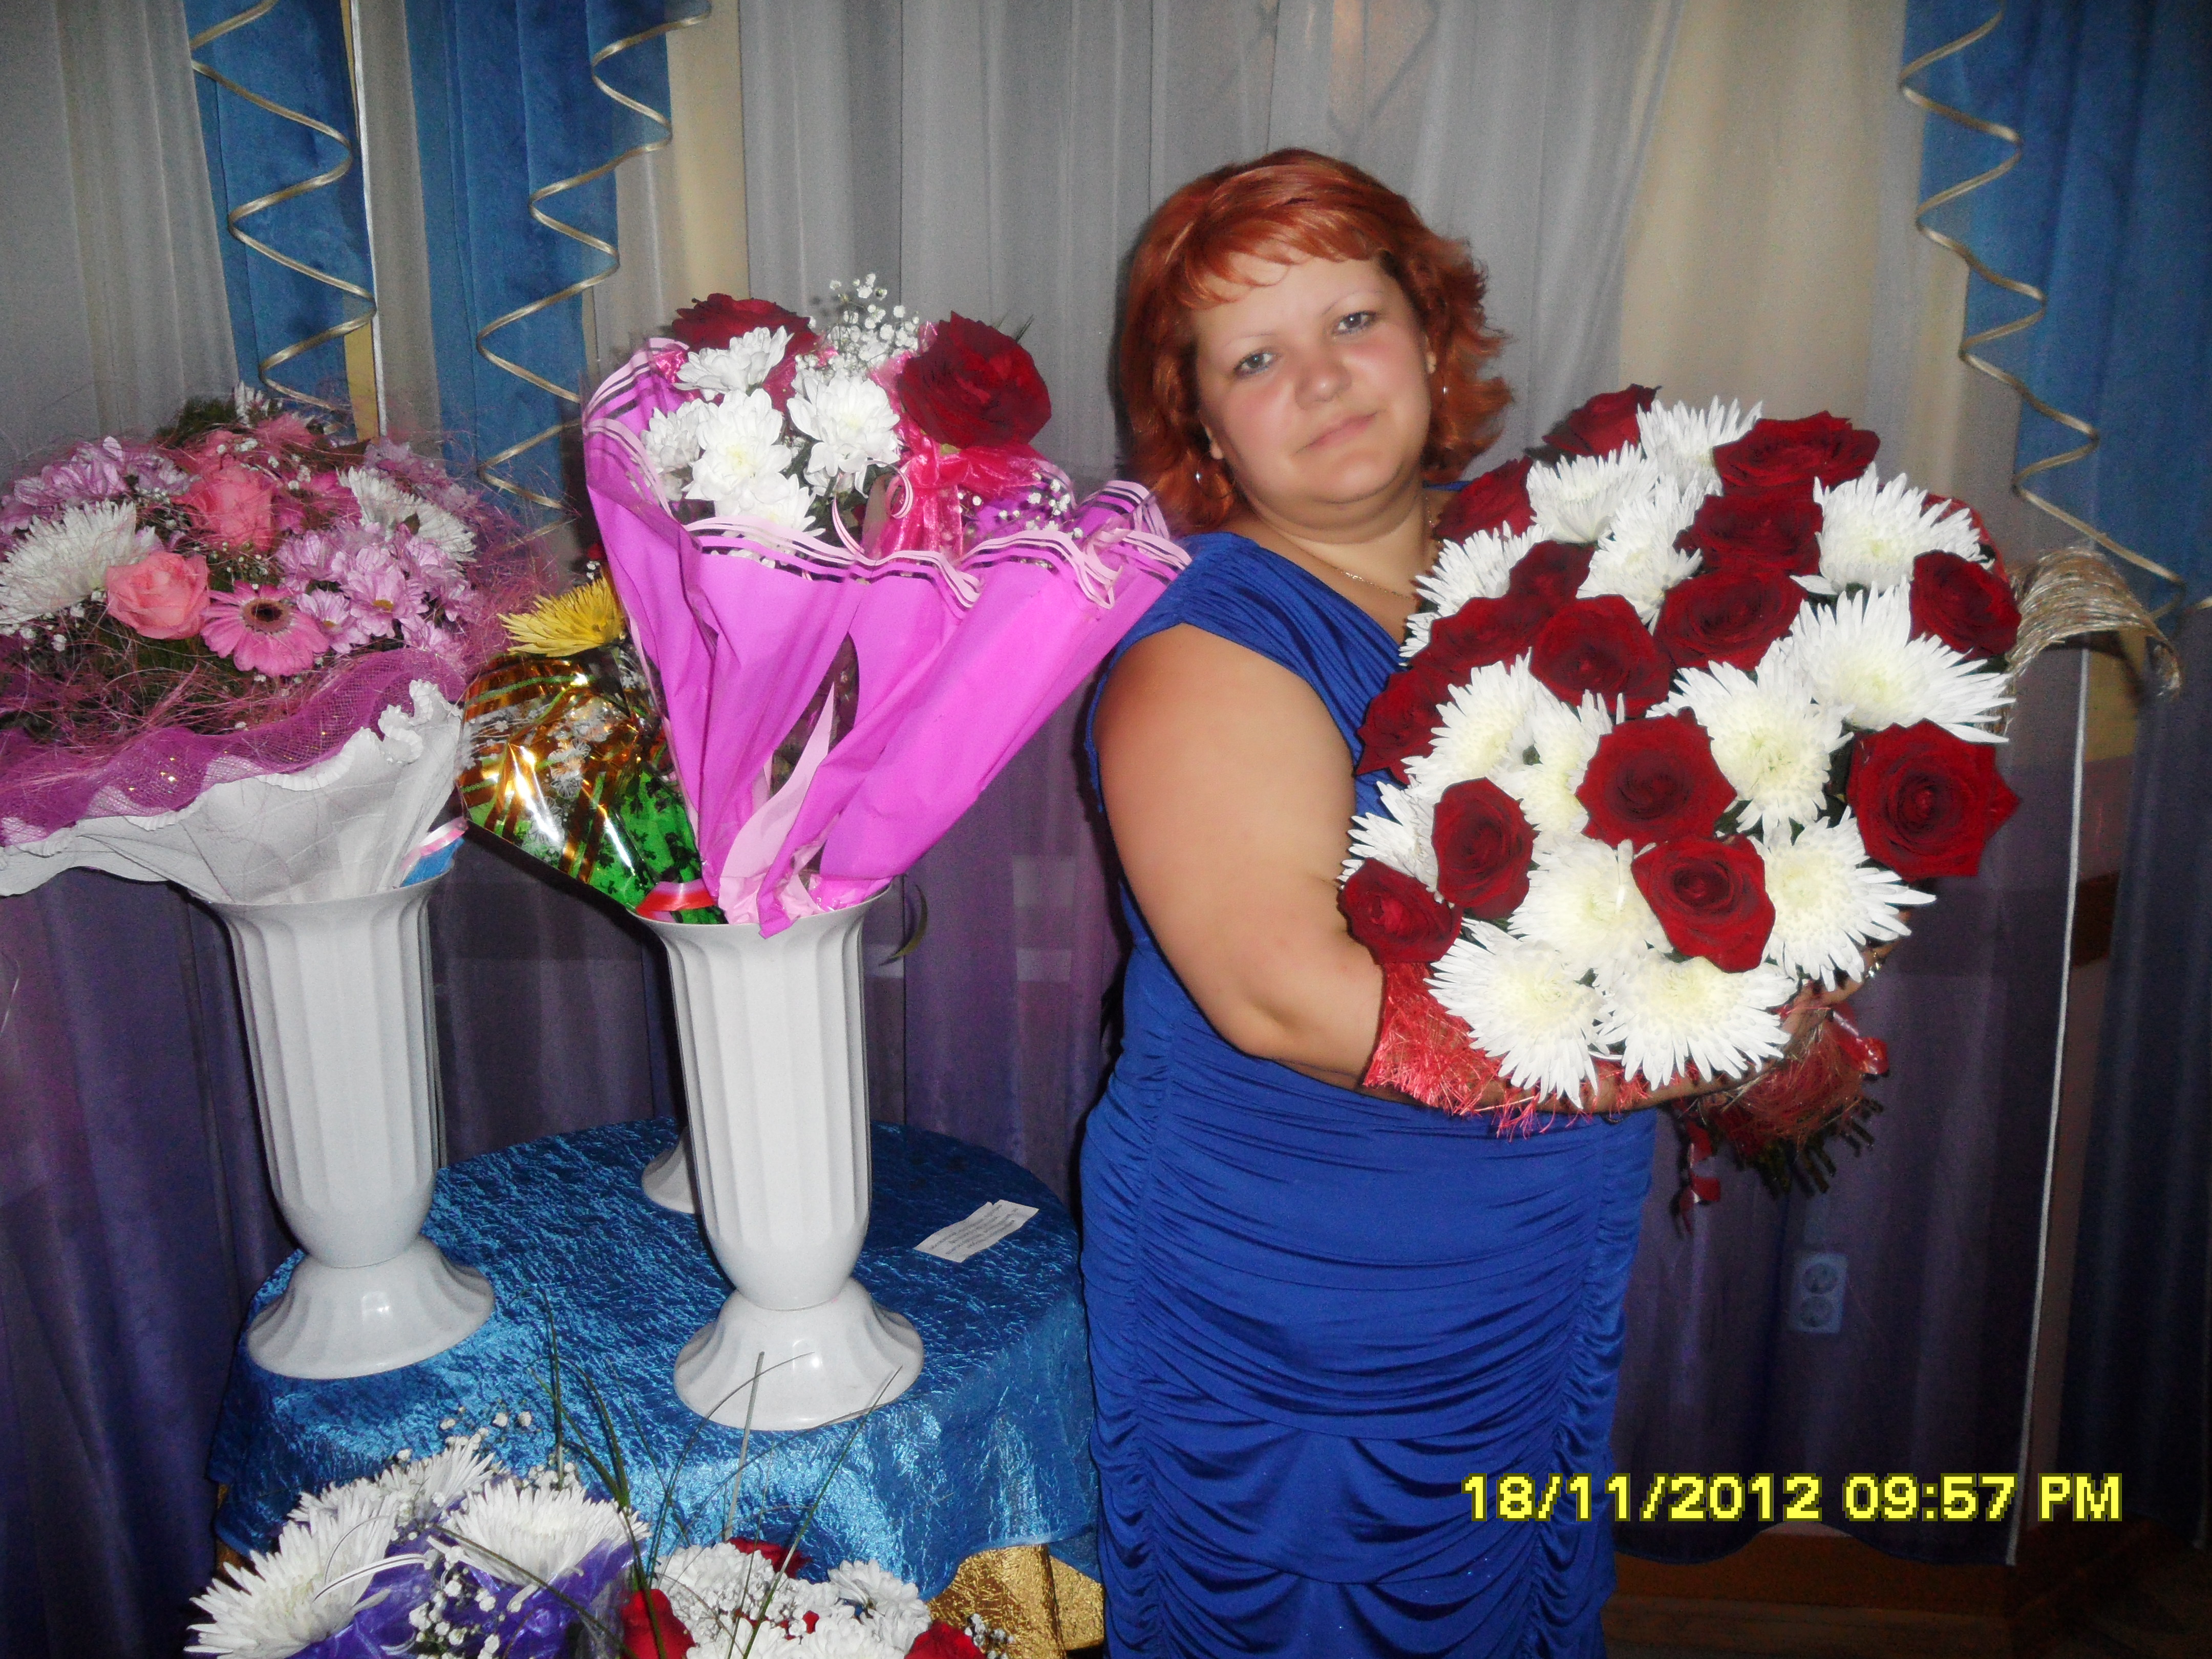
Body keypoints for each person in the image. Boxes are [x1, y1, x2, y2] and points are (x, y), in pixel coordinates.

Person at [1081, 148, 1671, 1656]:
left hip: (1528, 1257)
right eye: (1255, 358)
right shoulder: (1202, 653)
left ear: (1430, 334)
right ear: (1201, 420)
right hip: (1304, 1291)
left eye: (1354, 320)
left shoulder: (1536, 568)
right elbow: (1285, 998)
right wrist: (1664, 1055)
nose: (1324, 378)